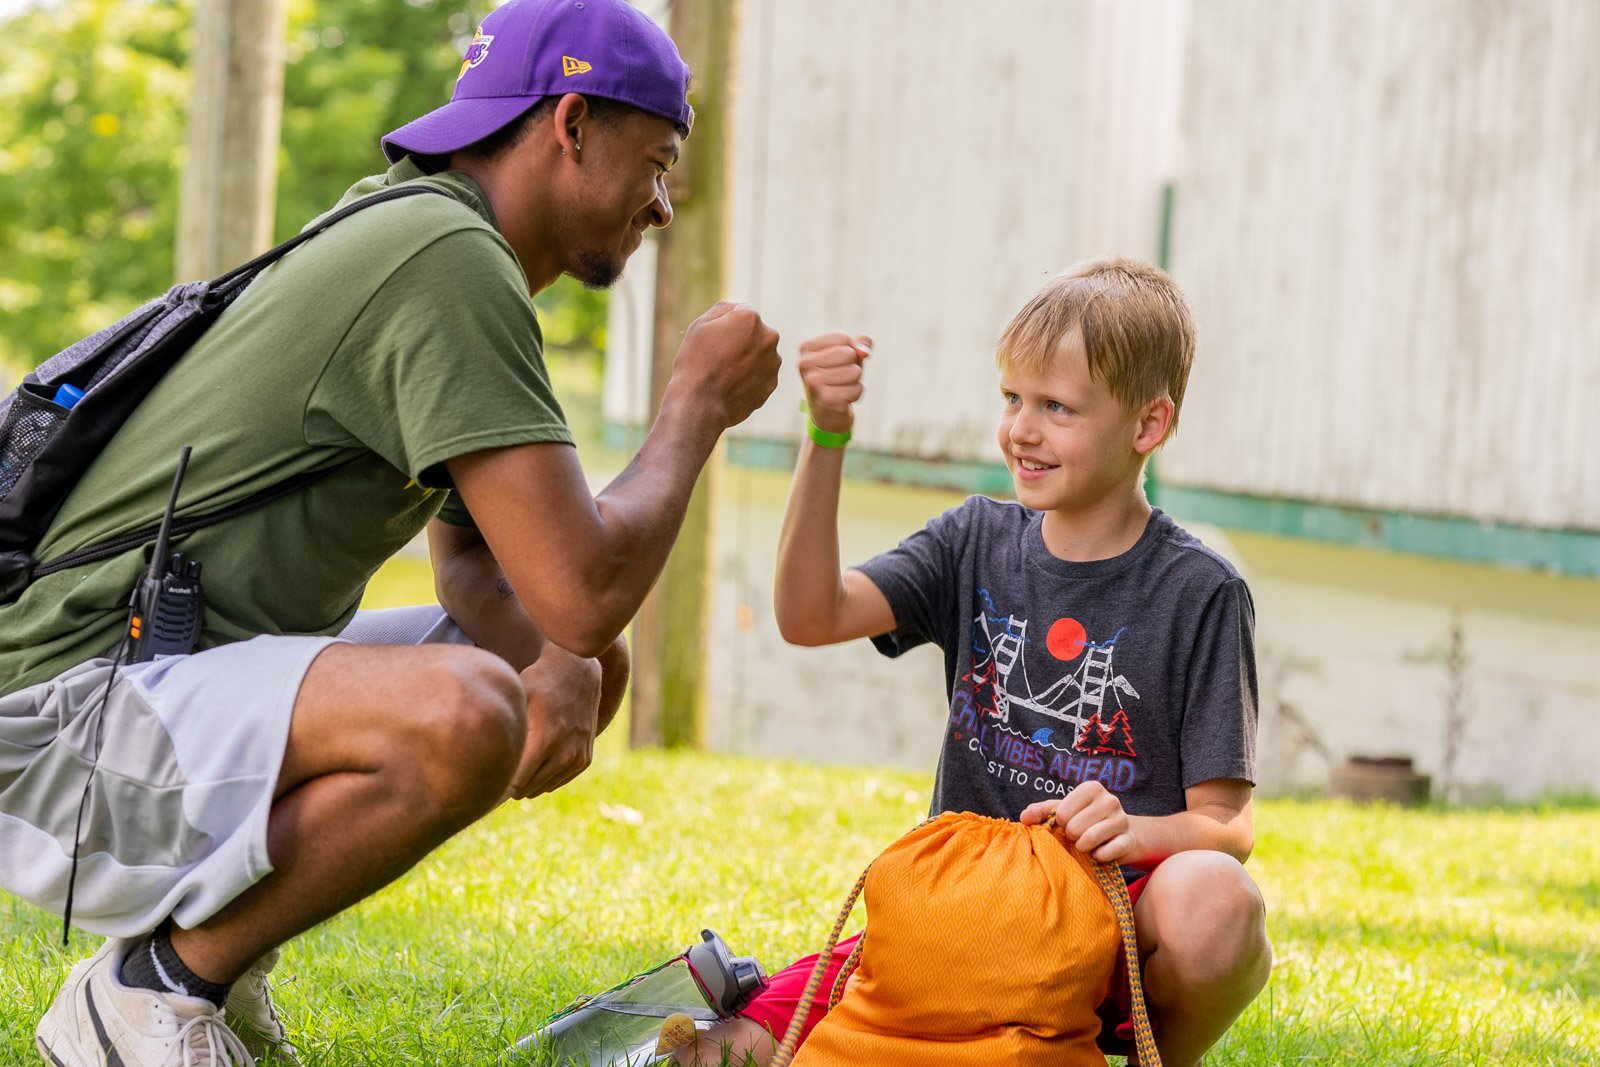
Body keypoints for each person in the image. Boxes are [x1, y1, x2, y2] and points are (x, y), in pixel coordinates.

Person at [3, 1, 782, 1064]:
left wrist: (573, 661)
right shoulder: (444, 259)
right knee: (465, 708)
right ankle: (154, 986)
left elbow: (478, 574)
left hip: (135, 688)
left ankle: (201, 960)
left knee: (571, 660)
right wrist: (694, 406)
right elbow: (585, 583)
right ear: (570, 124)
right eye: (655, 161)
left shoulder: (426, 233)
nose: (660, 204)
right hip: (63, 721)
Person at [684, 258, 1271, 1067]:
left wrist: (1132, 830)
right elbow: (809, 614)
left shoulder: (1201, 592)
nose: (1021, 430)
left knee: (1217, 902)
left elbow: (1226, 825)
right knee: (723, 1050)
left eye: (1057, 407)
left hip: (1107, 921)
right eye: (1012, 398)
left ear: (1149, 424)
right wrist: (825, 435)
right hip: (960, 921)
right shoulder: (972, 542)